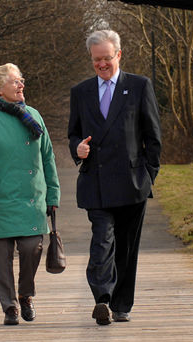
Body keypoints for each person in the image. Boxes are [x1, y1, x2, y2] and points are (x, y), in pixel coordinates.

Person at [68, 30, 161, 325]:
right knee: (102, 239)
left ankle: (122, 304)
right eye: (97, 60)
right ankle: (102, 299)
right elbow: (73, 133)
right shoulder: (80, 92)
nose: (102, 64)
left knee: (126, 246)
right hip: (96, 180)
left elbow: (153, 137)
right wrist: (77, 148)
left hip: (132, 182)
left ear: (118, 55)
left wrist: (148, 176)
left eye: (107, 58)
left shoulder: (139, 86)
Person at [0, 63, 60, 326]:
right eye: (15, 81)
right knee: (1, 260)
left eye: (22, 80)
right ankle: (9, 307)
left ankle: (26, 294)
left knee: (33, 248)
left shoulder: (35, 116)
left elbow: (48, 158)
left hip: (31, 198)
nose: (21, 85)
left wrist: (53, 195)